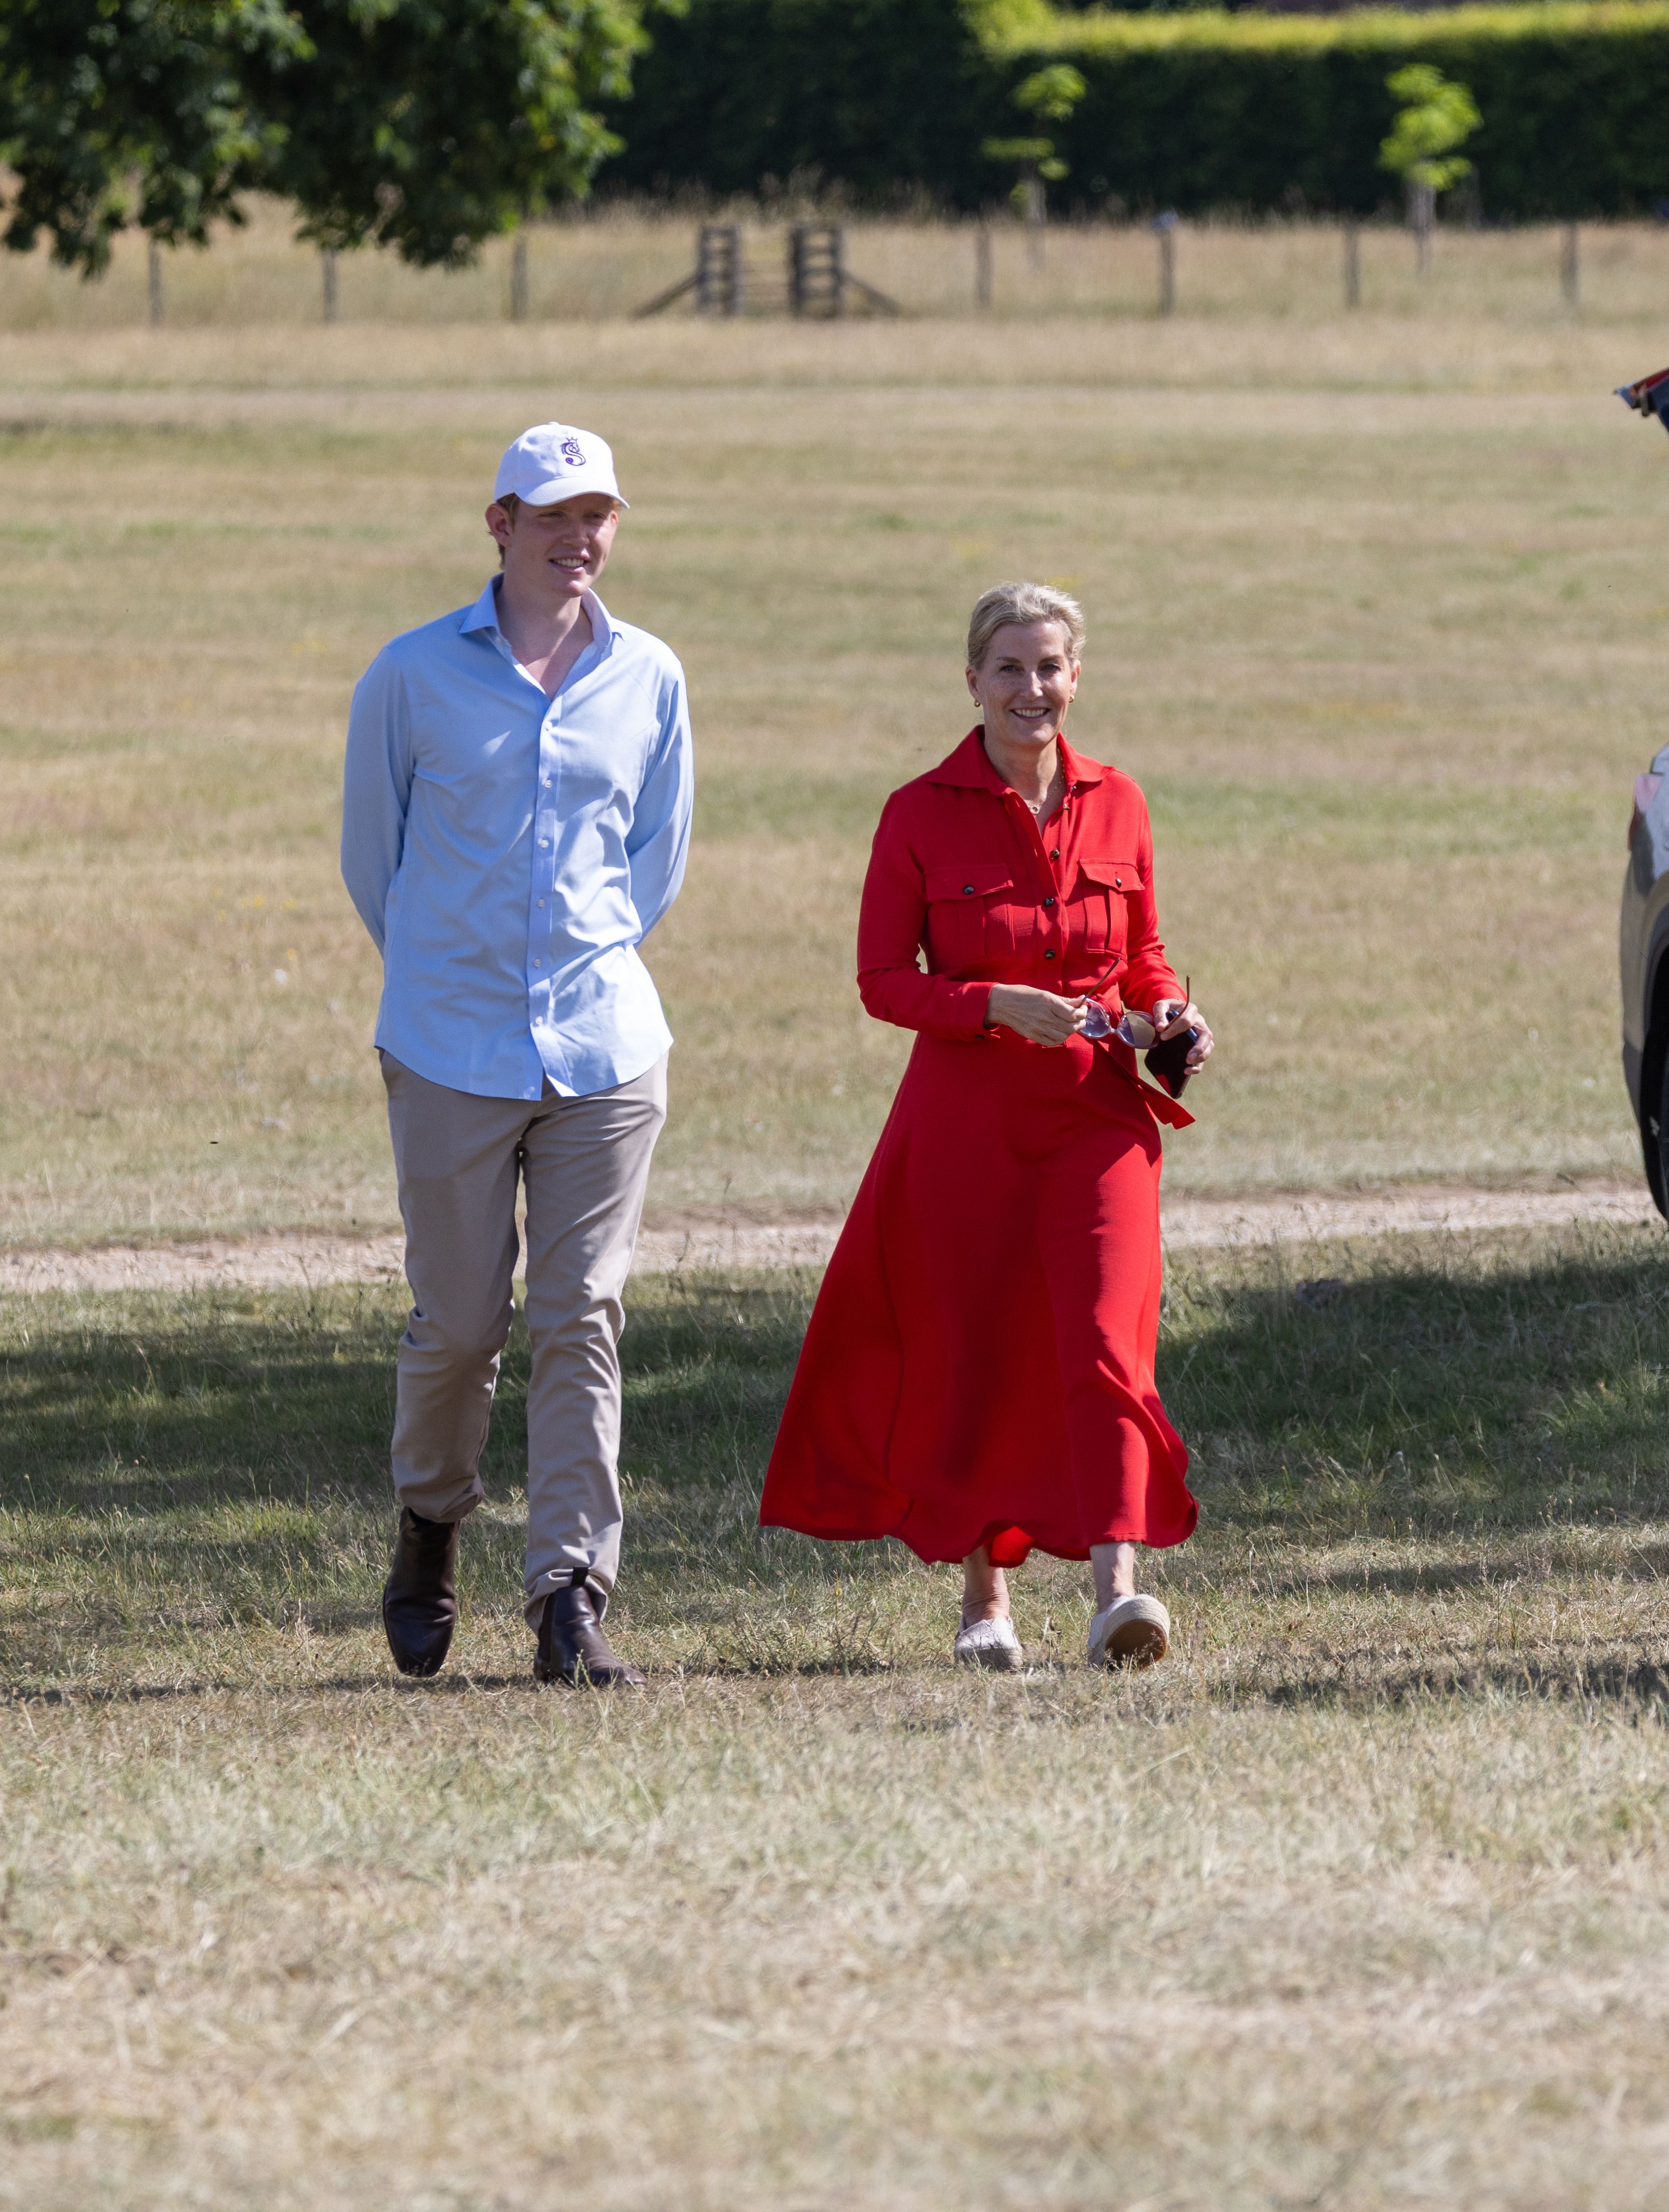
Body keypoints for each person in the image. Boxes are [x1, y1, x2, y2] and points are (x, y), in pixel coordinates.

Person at [758, 583, 1212, 1672]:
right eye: (1008, 668)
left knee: (1107, 1342)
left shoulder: (1121, 801)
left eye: (1050, 667)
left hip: (1100, 1118)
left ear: (1076, 677)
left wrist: (1174, 1013)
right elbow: (880, 981)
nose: (1031, 689)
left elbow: (1143, 953)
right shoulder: (918, 812)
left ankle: (1118, 1593)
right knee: (978, 1350)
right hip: (963, 1128)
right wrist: (988, 1005)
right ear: (972, 681)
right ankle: (985, 1602)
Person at [342, 423, 694, 1689]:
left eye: (596, 515)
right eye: (552, 515)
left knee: (582, 1311)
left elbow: (654, 861)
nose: (577, 537)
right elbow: (372, 861)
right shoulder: (413, 674)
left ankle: (568, 1594)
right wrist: (455, 978)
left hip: (605, 1044)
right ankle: (431, 1524)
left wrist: (578, 967)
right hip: (448, 1042)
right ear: (499, 522)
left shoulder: (650, 675)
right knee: (456, 1326)